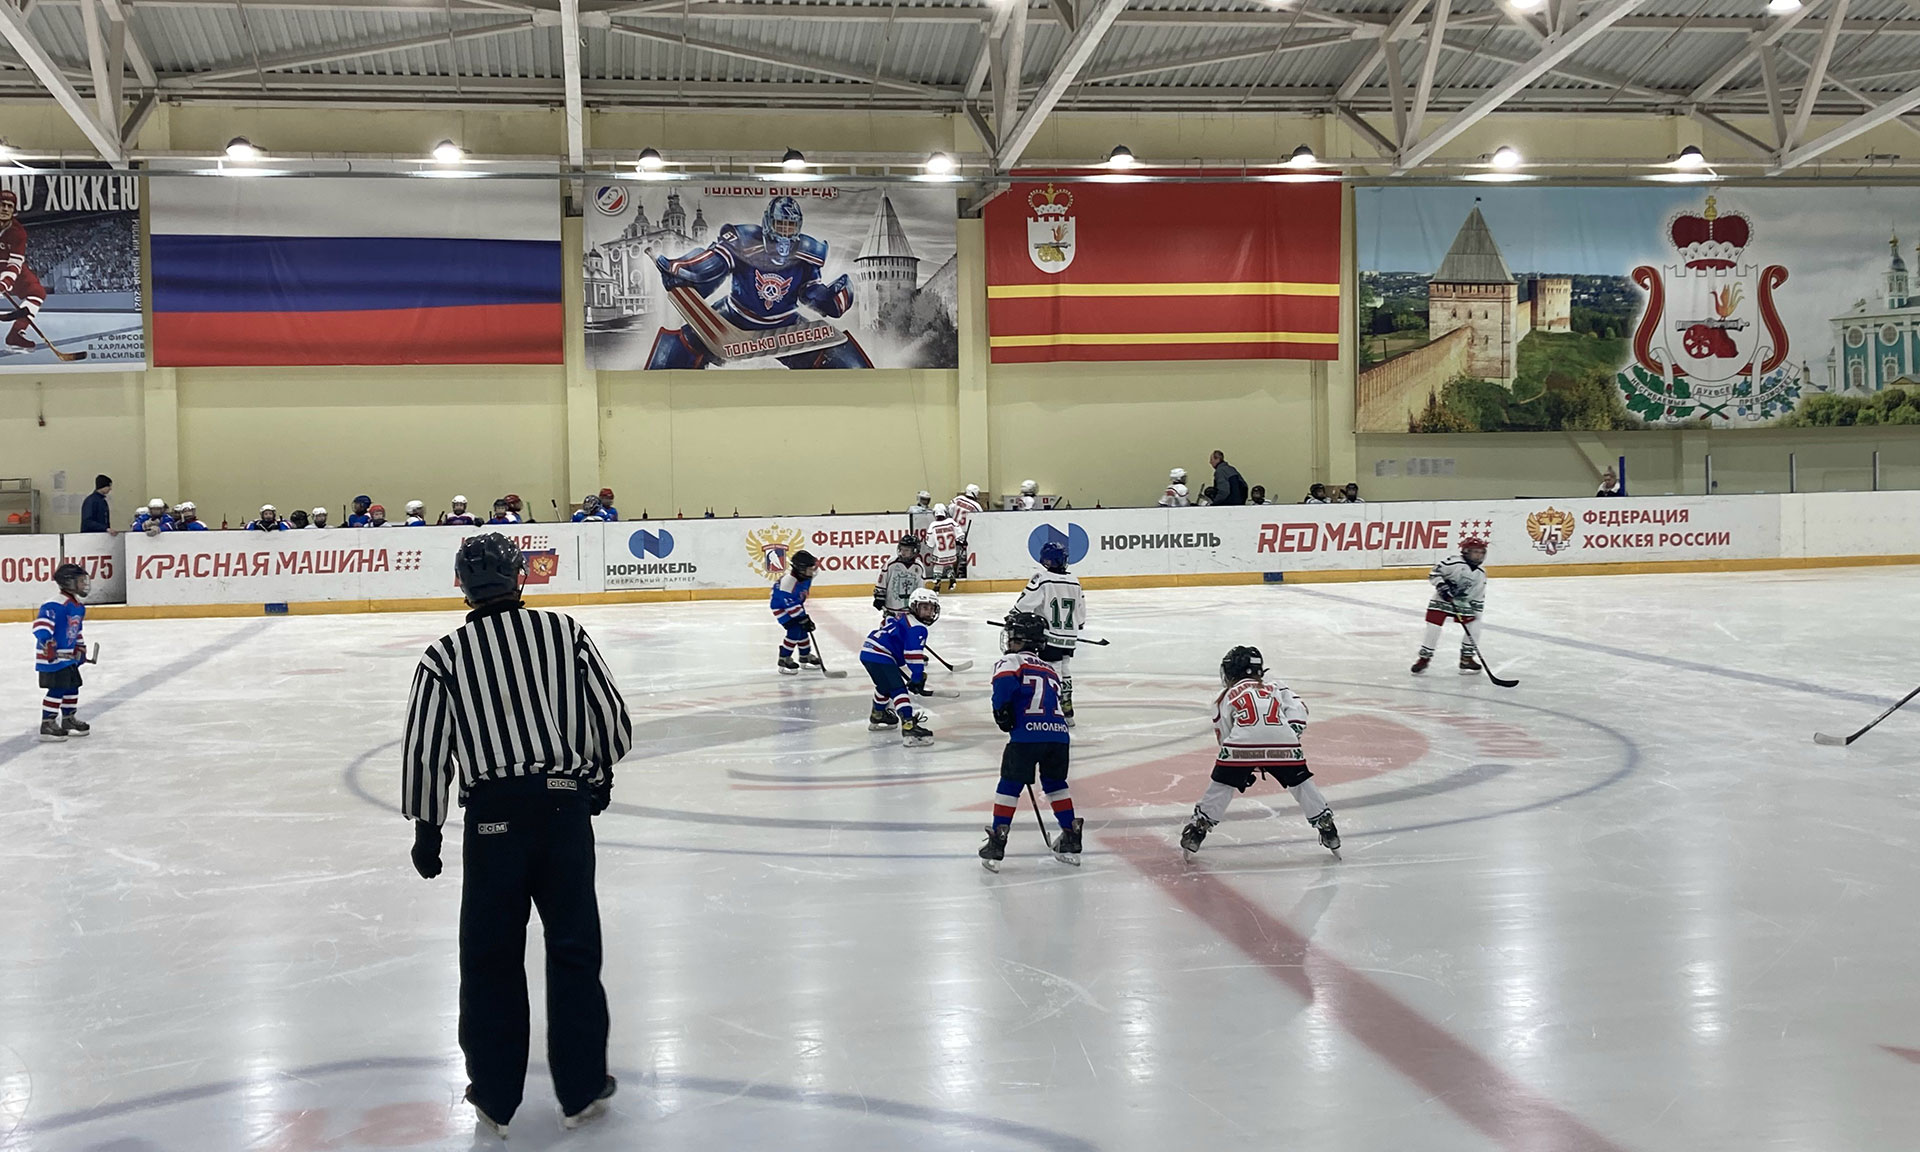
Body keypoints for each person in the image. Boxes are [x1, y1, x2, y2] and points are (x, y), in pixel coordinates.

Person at [401, 533, 632, 1135]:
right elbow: (610, 718)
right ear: (519, 578)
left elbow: (427, 748)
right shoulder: (563, 632)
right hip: (562, 810)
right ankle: (581, 1089)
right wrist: (598, 777)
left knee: (490, 956)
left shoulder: (444, 656)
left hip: (492, 821)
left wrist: (428, 828)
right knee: (574, 948)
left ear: (462, 585)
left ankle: (495, 1095)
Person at [1179, 646, 1339, 859]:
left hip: (1241, 746)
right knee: (1301, 784)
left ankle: (1198, 830)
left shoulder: (1225, 696)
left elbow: (1224, 732)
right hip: (1284, 742)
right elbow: (1299, 710)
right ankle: (1327, 826)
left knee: (1222, 785)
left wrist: (1241, 765)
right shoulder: (1276, 686)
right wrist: (1288, 736)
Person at [978, 611, 1079, 871]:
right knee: (1056, 785)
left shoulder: (1010, 661)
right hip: (1058, 736)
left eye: (1013, 636)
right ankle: (1071, 835)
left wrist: (1001, 712)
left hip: (1026, 737)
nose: (1009, 641)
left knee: (1010, 785)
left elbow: (1003, 687)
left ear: (1021, 640)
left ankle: (997, 841)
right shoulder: (1050, 669)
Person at [1012, 537, 1084, 727]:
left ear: (1046, 561)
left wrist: (1013, 615)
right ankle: (1067, 710)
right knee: (1065, 668)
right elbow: (1081, 615)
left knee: (1051, 669)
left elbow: (1025, 604)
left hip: (1049, 636)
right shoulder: (1075, 581)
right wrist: (1077, 626)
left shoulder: (1042, 579)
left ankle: (1052, 708)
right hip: (1069, 638)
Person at [860, 587, 940, 747]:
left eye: (931, 608)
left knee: (884, 686)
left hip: (868, 651)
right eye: (924, 607)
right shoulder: (918, 628)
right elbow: (912, 655)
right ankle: (909, 726)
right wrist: (917, 677)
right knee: (898, 690)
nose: (928, 612)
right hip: (881, 654)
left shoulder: (903, 616)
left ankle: (879, 713)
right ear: (914, 606)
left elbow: (886, 623)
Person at [1412, 536, 1487, 675]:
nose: (1478, 555)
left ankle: (1466, 658)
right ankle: (1424, 658)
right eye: (1475, 552)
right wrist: (1442, 586)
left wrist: (1475, 613)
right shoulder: (1453, 562)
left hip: (1463, 603)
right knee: (1433, 627)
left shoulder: (1480, 574)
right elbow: (1434, 573)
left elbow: (1478, 596)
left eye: (1481, 552)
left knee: (1475, 625)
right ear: (1466, 551)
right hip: (1442, 601)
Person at [33, 563, 91, 743]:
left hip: (68, 658)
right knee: (57, 689)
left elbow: (76, 630)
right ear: (68, 582)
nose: (84, 584)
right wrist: (47, 642)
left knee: (73, 686)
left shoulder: (78, 606)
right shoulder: (55, 604)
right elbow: (41, 626)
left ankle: (68, 719)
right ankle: (47, 723)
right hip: (52, 658)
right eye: (80, 581)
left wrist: (80, 647)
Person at [0, 188, 49, 352]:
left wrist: (5, 282)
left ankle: (15, 334)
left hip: (8, 266)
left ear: (14, 210)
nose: (5, 208)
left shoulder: (18, 232)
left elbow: (15, 263)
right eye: (2, 204)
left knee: (37, 292)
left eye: (9, 206)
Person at [770, 549, 820, 675]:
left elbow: (796, 601)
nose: (813, 571)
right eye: (810, 568)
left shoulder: (806, 577)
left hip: (794, 604)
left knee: (803, 629)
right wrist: (802, 618)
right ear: (801, 569)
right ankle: (784, 658)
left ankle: (805, 656)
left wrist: (804, 618)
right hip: (780, 607)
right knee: (795, 630)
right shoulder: (788, 582)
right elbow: (788, 604)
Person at [872, 535, 925, 618]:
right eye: (902, 549)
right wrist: (879, 597)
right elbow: (882, 581)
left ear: (915, 551)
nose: (903, 552)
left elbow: (920, 588)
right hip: (891, 610)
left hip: (911, 612)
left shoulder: (918, 566)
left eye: (906, 550)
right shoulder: (891, 563)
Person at [925, 505, 959, 587]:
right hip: (951, 552)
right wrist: (962, 541)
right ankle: (952, 578)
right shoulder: (951, 522)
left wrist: (928, 543)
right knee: (948, 565)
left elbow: (930, 543)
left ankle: (937, 585)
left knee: (938, 567)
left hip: (940, 552)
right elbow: (959, 534)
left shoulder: (933, 525)